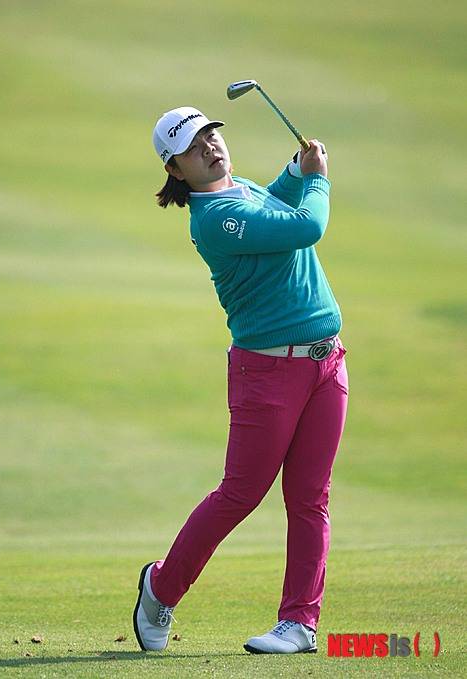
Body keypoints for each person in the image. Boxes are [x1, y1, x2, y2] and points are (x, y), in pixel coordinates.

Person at [133, 106, 349, 655]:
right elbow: (306, 227)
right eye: (192, 146)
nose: (209, 147)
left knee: (310, 498)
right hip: (268, 372)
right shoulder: (214, 219)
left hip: (326, 363)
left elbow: (272, 201)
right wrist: (318, 179)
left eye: (210, 134)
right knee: (240, 494)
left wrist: (295, 173)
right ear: (175, 170)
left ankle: (298, 623)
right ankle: (161, 588)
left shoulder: (239, 189)